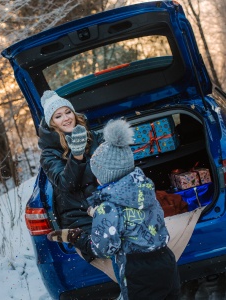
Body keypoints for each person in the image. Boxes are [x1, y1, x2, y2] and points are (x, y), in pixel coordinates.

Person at [48, 119, 181, 300]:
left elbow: (104, 248)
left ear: (106, 177)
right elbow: (136, 217)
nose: (96, 181)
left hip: (138, 271)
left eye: (97, 176)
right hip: (166, 260)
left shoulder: (108, 209)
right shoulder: (145, 191)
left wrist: (79, 237)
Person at [39, 90, 118, 283]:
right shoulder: (49, 155)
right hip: (78, 213)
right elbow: (67, 184)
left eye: (68, 112)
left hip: (103, 204)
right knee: (104, 247)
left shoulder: (92, 137)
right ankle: (75, 237)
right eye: (58, 116)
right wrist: (76, 156)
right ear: (52, 123)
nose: (65, 118)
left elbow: (111, 167)